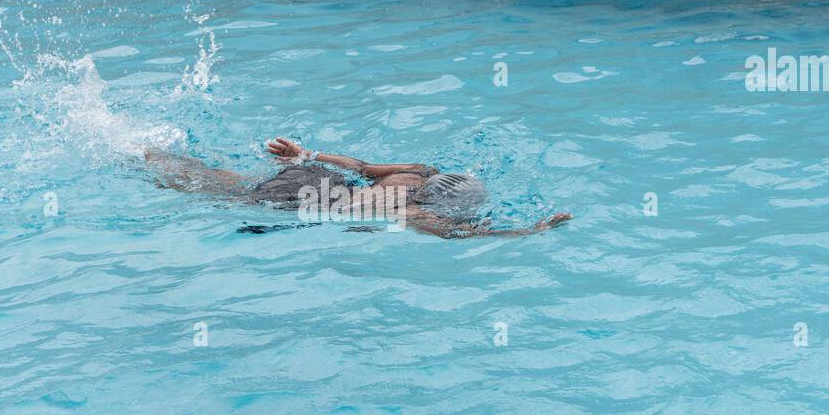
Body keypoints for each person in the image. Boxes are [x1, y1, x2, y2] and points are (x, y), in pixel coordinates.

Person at [141, 137, 572, 238]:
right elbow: (458, 236)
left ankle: (143, 148)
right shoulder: (412, 209)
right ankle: (141, 159)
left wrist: (309, 157)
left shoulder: (418, 170)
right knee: (212, 192)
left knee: (221, 180)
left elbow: (361, 166)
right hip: (312, 200)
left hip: (321, 179)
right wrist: (528, 231)